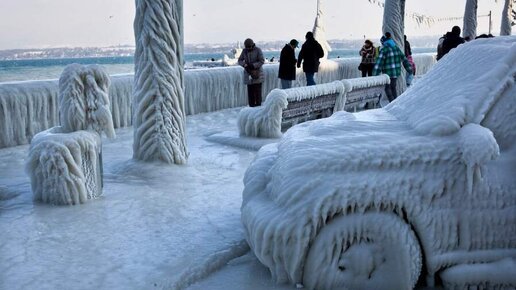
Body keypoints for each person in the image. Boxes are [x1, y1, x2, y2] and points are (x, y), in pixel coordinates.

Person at [373, 33, 413, 102]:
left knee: (387, 89)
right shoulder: (396, 48)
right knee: (393, 87)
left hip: (387, 74)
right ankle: (395, 102)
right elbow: (404, 59)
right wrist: (410, 70)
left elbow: (379, 63)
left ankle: (392, 103)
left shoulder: (384, 50)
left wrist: (375, 74)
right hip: (395, 74)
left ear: (383, 42)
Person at [238, 38, 265, 107]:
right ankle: (251, 109)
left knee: (258, 95)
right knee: (250, 95)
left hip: (257, 75)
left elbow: (262, 61)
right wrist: (244, 65)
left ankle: (258, 109)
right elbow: (240, 60)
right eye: (247, 47)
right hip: (249, 75)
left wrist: (253, 65)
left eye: (249, 47)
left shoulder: (258, 50)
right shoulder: (244, 51)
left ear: (253, 45)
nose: (248, 48)